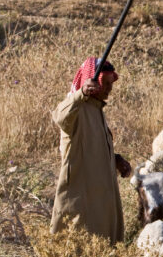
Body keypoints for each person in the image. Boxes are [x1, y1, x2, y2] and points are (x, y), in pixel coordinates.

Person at [50, 57, 132, 245]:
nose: (110, 88)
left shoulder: (96, 109)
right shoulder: (76, 108)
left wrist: (115, 159)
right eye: (106, 83)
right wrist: (80, 94)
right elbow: (59, 117)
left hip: (101, 194)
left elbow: (92, 147)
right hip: (81, 194)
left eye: (112, 83)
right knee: (77, 244)